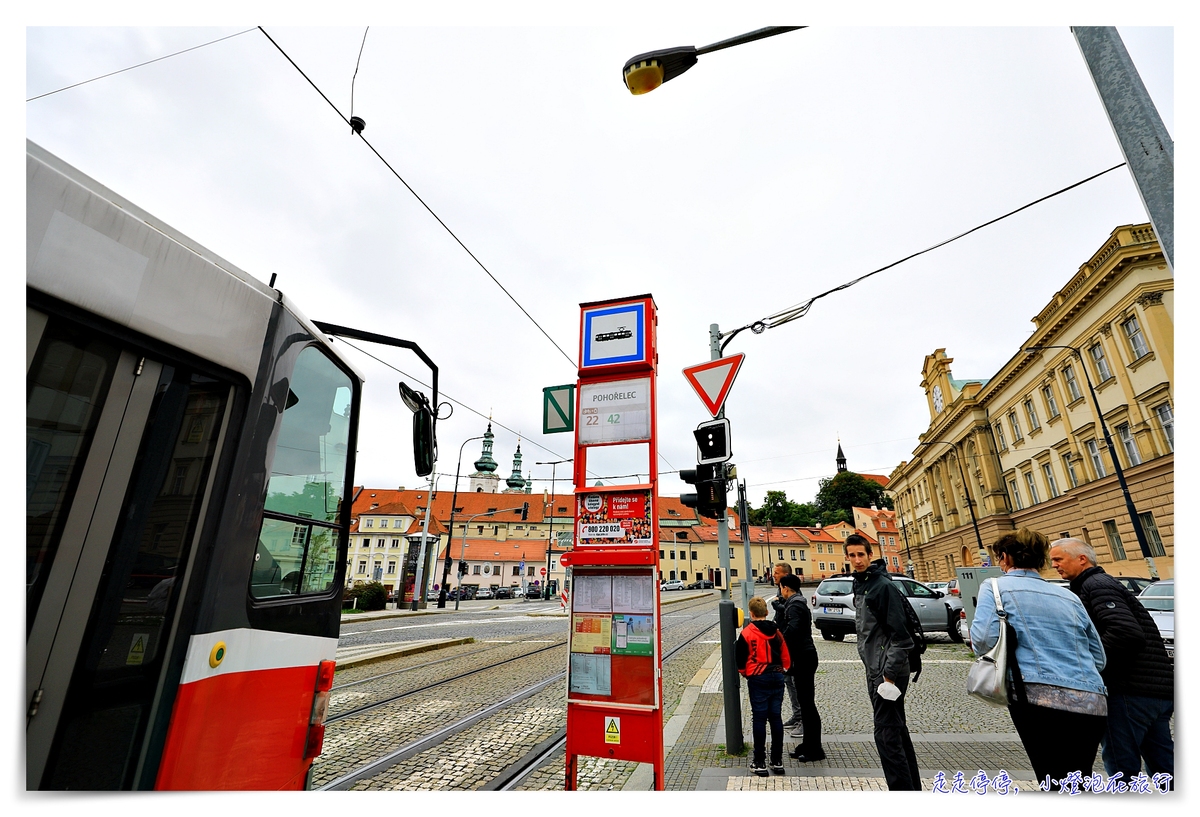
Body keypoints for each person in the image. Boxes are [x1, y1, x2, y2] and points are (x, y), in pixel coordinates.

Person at [971, 529, 1108, 788]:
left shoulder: (995, 587)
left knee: (1053, 779)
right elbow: (1098, 657)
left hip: (1036, 698)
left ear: (1005, 558)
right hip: (1091, 701)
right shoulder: (1068, 595)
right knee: (1079, 781)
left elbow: (982, 641)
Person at [1050, 538, 1173, 784]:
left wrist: (1089, 663)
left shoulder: (1095, 585)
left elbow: (1125, 633)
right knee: (1165, 767)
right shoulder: (1097, 583)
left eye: (1058, 559)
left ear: (1081, 559)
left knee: (1121, 769)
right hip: (1153, 690)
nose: (1054, 565)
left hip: (1127, 691)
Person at [846, 533, 921, 790]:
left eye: (861, 555)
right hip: (877, 668)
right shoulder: (864, 584)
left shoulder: (881, 586)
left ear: (870, 555)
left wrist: (887, 675)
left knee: (886, 734)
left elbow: (901, 638)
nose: (857, 560)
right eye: (852, 555)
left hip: (887, 672)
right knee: (896, 729)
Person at [736, 595, 791, 776]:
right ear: (767, 613)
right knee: (775, 717)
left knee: (759, 718)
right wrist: (783, 669)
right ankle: (777, 760)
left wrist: (745, 672)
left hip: (758, 676)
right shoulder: (777, 632)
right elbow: (785, 655)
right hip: (776, 675)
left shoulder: (747, 633)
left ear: (750, 614)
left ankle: (759, 761)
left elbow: (740, 659)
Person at [778, 573, 825, 761]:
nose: (780, 591)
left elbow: (794, 630)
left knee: (807, 705)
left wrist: (779, 639)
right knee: (806, 704)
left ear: (786, 588)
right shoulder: (796, 603)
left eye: (781, 588)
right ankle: (808, 744)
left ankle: (815, 749)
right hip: (803, 656)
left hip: (803, 657)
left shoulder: (795, 605)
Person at [770, 562, 803, 729]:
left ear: (785, 575)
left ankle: (802, 717)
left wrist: (778, 606)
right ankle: (797, 715)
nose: (773, 575)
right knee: (788, 680)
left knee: (795, 681)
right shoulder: (780, 590)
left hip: (792, 645)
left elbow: (791, 614)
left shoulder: (794, 593)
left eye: (776, 573)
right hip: (784, 641)